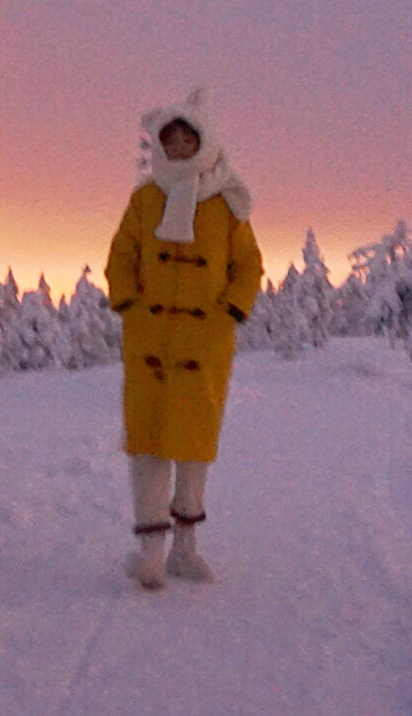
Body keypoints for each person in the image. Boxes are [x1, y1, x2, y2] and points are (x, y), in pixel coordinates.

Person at [106, 88, 263, 589]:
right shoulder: (145, 200)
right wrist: (131, 305)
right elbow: (120, 258)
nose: (176, 147)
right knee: (149, 447)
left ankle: (185, 549)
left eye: (185, 138)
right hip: (149, 344)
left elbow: (249, 267)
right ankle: (151, 551)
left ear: (203, 142)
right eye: (169, 139)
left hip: (202, 347)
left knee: (194, 449)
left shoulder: (226, 204)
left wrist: (229, 313)